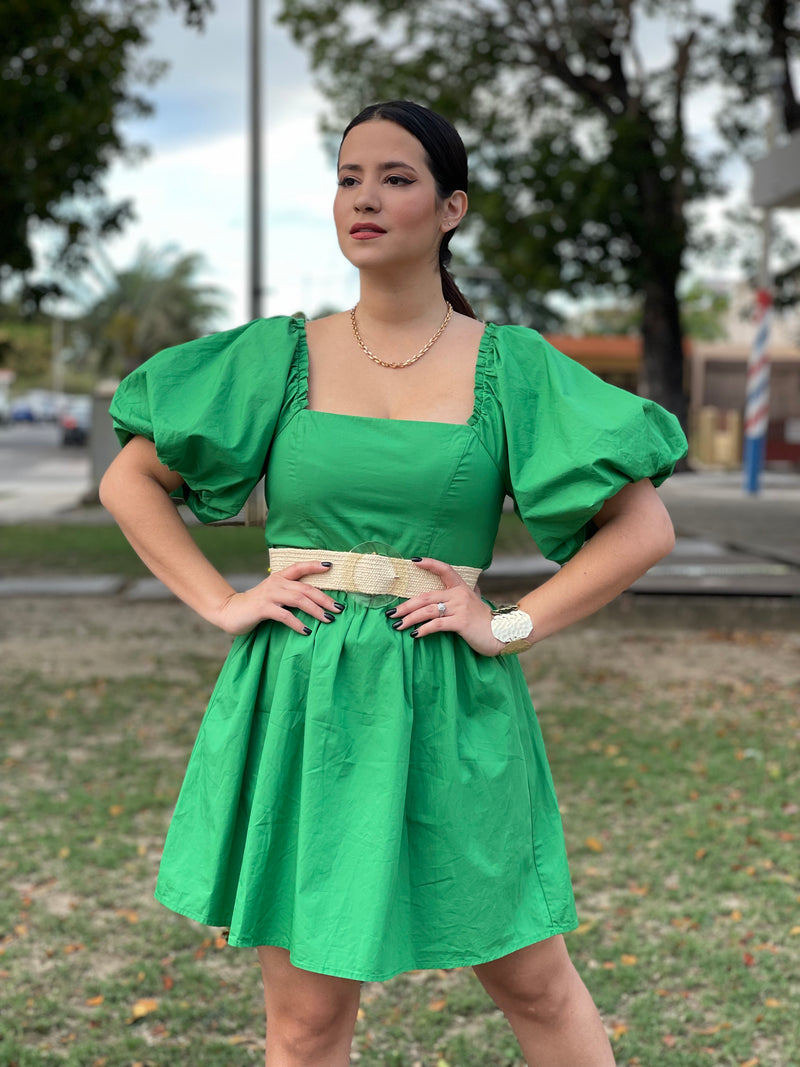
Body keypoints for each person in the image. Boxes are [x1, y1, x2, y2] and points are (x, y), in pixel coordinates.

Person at [100, 100, 687, 1067]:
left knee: (538, 987)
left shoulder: (512, 368)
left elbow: (644, 526)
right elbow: (132, 478)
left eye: (396, 178)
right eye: (348, 178)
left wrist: (509, 623)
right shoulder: (277, 356)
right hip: (303, 698)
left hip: (450, 695)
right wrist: (219, 598)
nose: (364, 198)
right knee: (305, 1022)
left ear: (451, 207)